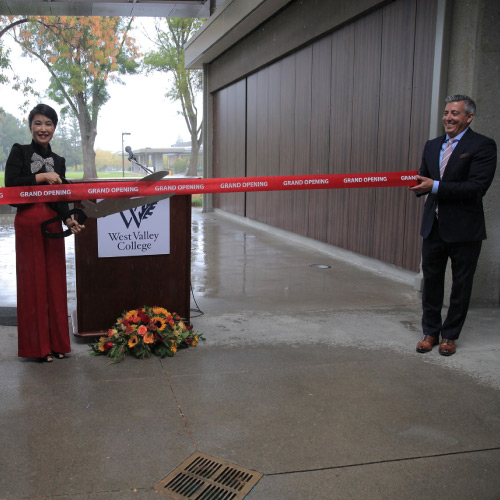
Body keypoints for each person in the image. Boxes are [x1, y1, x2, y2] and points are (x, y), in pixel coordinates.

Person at [409, 95, 497, 356]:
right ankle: (430, 332)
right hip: (433, 227)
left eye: (455, 113)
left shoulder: (482, 145)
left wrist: (434, 186)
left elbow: (476, 187)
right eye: (446, 112)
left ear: (469, 117)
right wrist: (413, 184)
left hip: (464, 230)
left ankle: (450, 336)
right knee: (432, 282)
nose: (448, 117)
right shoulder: (432, 145)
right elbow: (423, 177)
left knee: (461, 285)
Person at [5, 104, 85, 363]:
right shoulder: (19, 152)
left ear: (54, 128)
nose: (43, 128)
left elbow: (60, 198)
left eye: (48, 124)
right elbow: (10, 187)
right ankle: (37, 348)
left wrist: (69, 219)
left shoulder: (59, 161)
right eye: (38, 123)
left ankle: (58, 343)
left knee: (54, 283)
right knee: (33, 284)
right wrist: (40, 178)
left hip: (52, 227)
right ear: (31, 126)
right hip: (28, 225)